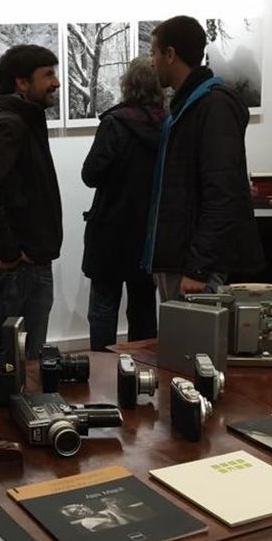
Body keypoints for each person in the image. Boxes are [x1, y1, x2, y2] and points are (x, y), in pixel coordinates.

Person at [143, 16, 264, 302]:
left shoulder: (214, 105)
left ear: (170, 54)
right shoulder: (188, 106)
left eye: (154, 53)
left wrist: (198, 267)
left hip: (197, 269)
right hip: (183, 260)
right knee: (178, 345)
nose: (152, 62)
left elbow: (222, 193)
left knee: (194, 346)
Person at [0, 44, 62, 358]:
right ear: (22, 83)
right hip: (22, 270)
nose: (56, 82)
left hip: (29, 265)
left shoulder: (26, 120)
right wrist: (10, 251)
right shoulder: (13, 124)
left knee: (24, 363)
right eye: (48, 74)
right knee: (21, 364)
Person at [82, 57, 165, 351]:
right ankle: (141, 375)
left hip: (111, 232)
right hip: (150, 235)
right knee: (143, 310)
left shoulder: (115, 124)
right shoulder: (169, 125)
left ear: (128, 85)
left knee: (104, 308)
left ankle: (102, 374)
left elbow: (90, 175)